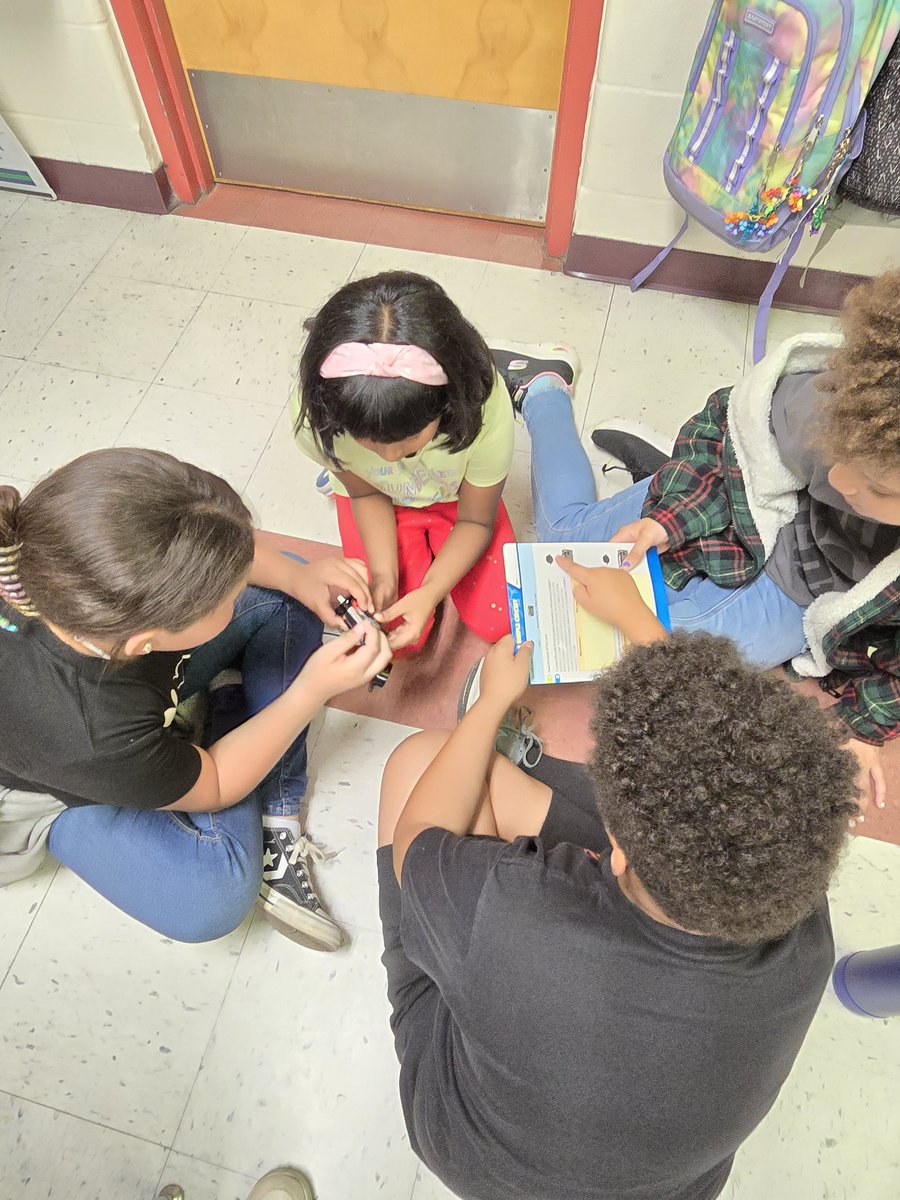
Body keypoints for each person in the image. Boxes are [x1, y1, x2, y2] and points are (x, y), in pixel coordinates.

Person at [377, 564, 859, 1200]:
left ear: (618, 856)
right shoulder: (803, 935)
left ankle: (486, 763)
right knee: (482, 813)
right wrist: (638, 623)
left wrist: (492, 701)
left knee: (419, 764)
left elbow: (418, 847)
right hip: (676, 1189)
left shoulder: (523, 919)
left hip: (473, 1149)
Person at [500, 271, 900, 811]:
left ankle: (616, 443)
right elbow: (732, 435)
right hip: (751, 496)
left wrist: (864, 727)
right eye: (842, 462)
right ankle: (546, 386)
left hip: (808, 590)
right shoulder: (830, 404)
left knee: (642, 654)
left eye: (875, 488)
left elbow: (686, 679)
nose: (844, 483)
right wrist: (669, 519)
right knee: (565, 541)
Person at [0, 449, 390, 950]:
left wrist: (297, 576)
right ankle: (238, 745)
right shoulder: (91, 731)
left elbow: (244, 558)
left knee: (287, 588)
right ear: (143, 640)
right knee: (211, 899)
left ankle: (227, 736)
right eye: (223, 598)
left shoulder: (64, 547)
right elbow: (218, 783)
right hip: (46, 787)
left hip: (104, 725)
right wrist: (310, 692)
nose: (237, 592)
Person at [292, 270, 516, 654]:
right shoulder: (319, 421)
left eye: (408, 445)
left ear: (449, 404)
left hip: (457, 498)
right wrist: (383, 576)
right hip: (373, 495)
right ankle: (335, 482)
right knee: (391, 632)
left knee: (503, 620)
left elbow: (476, 519)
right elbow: (366, 495)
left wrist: (430, 592)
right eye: (372, 445)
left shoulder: (485, 412)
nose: (392, 458)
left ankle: (540, 387)